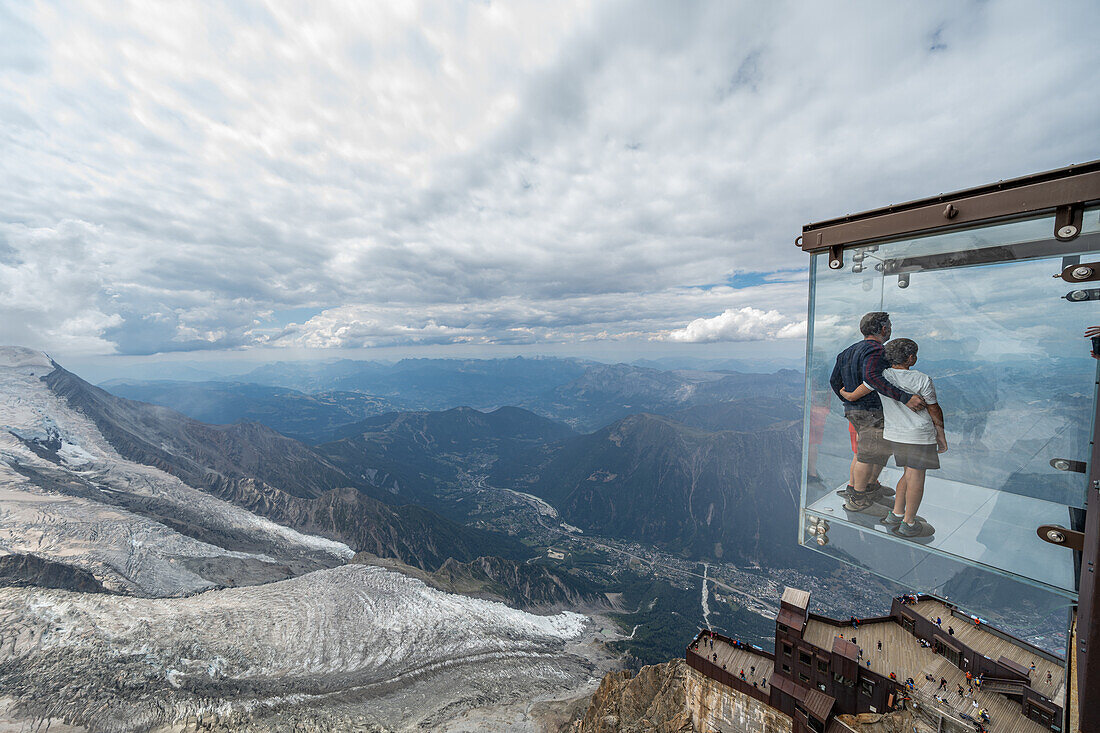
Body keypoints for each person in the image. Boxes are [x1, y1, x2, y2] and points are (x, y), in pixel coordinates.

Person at [840, 338, 946, 537]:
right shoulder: (922, 379)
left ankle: (896, 515)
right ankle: (909, 523)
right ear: (911, 358)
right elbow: (934, 408)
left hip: (895, 435)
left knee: (908, 474)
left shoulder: (881, 377)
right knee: (916, 478)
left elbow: (856, 393)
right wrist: (940, 434)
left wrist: (846, 395)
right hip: (919, 436)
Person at [831, 312, 926, 512]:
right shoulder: (877, 351)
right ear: (883, 329)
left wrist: (847, 398)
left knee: (873, 450)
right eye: (889, 325)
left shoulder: (847, 352)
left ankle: (869, 487)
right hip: (872, 411)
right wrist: (905, 398)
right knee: (868, 454)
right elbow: (873, 378)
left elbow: (834, 381)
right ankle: (857, 498)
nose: (890, 329)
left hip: (855, 411)